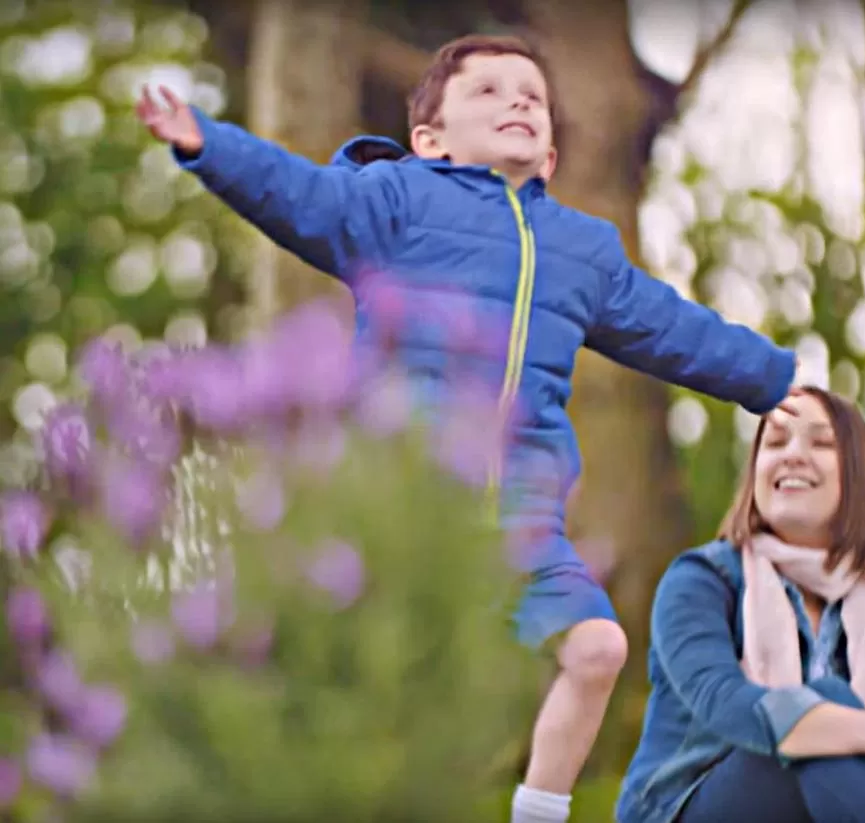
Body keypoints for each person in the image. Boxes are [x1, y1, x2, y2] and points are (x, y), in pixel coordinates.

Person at [136, 34, 799, 823]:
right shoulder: (396, 202)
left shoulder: (584, 251)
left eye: (532, 96)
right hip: (402, 503)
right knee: (384, 692)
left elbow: (676, 330)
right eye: (488, 92)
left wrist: (781, 383)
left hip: (524, 520)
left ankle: (538, 813)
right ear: (431, 139)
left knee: (597, 649)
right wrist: (209, 143)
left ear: (551, 153)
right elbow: (301, 194)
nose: (518, 100)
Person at [616, 385, 865, 823]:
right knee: (823, 713)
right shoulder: (702, 581)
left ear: (858, 473)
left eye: (821, 443)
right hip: (698, 806)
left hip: (848, 800)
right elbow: (734, 706)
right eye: (776, 442)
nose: (792, 455)